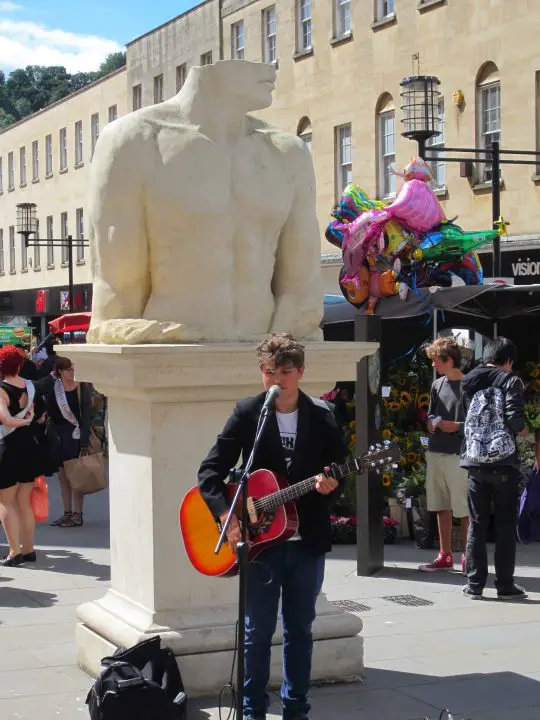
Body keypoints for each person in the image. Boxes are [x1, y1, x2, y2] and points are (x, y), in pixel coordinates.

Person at [198, 334, 348, 720]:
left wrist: (332, 486)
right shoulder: (249, 412)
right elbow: (210, 472)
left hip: (306, 541)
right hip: (261, 545)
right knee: (257, 633)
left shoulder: (322, 416)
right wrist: (227, 517)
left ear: (300, 372)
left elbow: (339, 472)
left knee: (300, 631)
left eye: (285, 371)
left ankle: (296, 709)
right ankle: (253, 712)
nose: (276, 379)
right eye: (269, 372)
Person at [460, 337, 528, 600]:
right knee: (504, 525)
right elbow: (514, 420)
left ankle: (474, 585)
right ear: (508, 361)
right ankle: (505, 585)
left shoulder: (470, 380)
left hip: (475, 462)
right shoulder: (511, 381)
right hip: (504, 464)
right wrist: (525, 430)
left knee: (476, 525)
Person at [419, 338, 469, 573]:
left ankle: (468, 556)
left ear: (449, 360)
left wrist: (456, 426)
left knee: (464, 508)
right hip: (436, 451)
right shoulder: (437, 385)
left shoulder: (470, 386)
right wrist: (431, 423)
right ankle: (445, 555)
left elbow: (476, 422)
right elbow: (430, 414)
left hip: (459, 454)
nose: (433, 365)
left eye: (436, 360)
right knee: (441, 505)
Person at [0, 345, 47, 566]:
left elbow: (6, 420)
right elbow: (36, 414)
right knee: (24, 501)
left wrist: (24, 421)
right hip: (29, 446)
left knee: (5, 502)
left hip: (8, 447)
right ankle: (29, 550)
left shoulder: (1, 389)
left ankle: (14, 552)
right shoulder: (30, 387)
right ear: (19, 365)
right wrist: (29, 420)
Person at [37, 357, 93, 528]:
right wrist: (52, 376)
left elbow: (87, 414)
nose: (72, 372)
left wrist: (84, 440)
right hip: (59, 435)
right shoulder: (54, 385)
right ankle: (67, 513)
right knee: (63, 478)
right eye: (68, 369)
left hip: (75, 435)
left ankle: (78, 514)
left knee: (76, 477)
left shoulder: (82, 386)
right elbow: (36, 386)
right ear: (60, 371)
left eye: (74, 369)